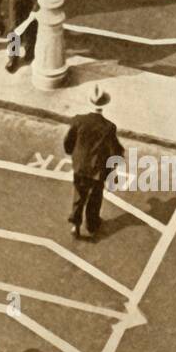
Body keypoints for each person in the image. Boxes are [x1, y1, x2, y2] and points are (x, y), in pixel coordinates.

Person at [62, 86, 124, 240]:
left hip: (81, 166)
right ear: (104, 106)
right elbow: (114, 149)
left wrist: (73, 154)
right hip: (97, 169)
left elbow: (68, 141)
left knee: (79, 194)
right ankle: (92, 224)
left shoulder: (78, 120)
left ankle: (75, 224)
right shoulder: (108, 127)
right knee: (95, 197)